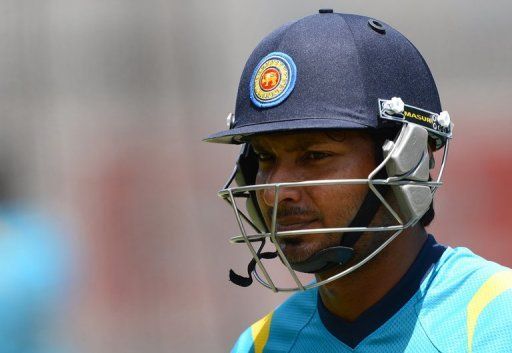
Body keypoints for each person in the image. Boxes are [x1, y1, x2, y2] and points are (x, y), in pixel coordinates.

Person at [204, 10, 512, 353]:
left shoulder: (497, 321)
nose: (279, 193)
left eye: (315, 156)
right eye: (265, 158)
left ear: (405, 162)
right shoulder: (259, 345)